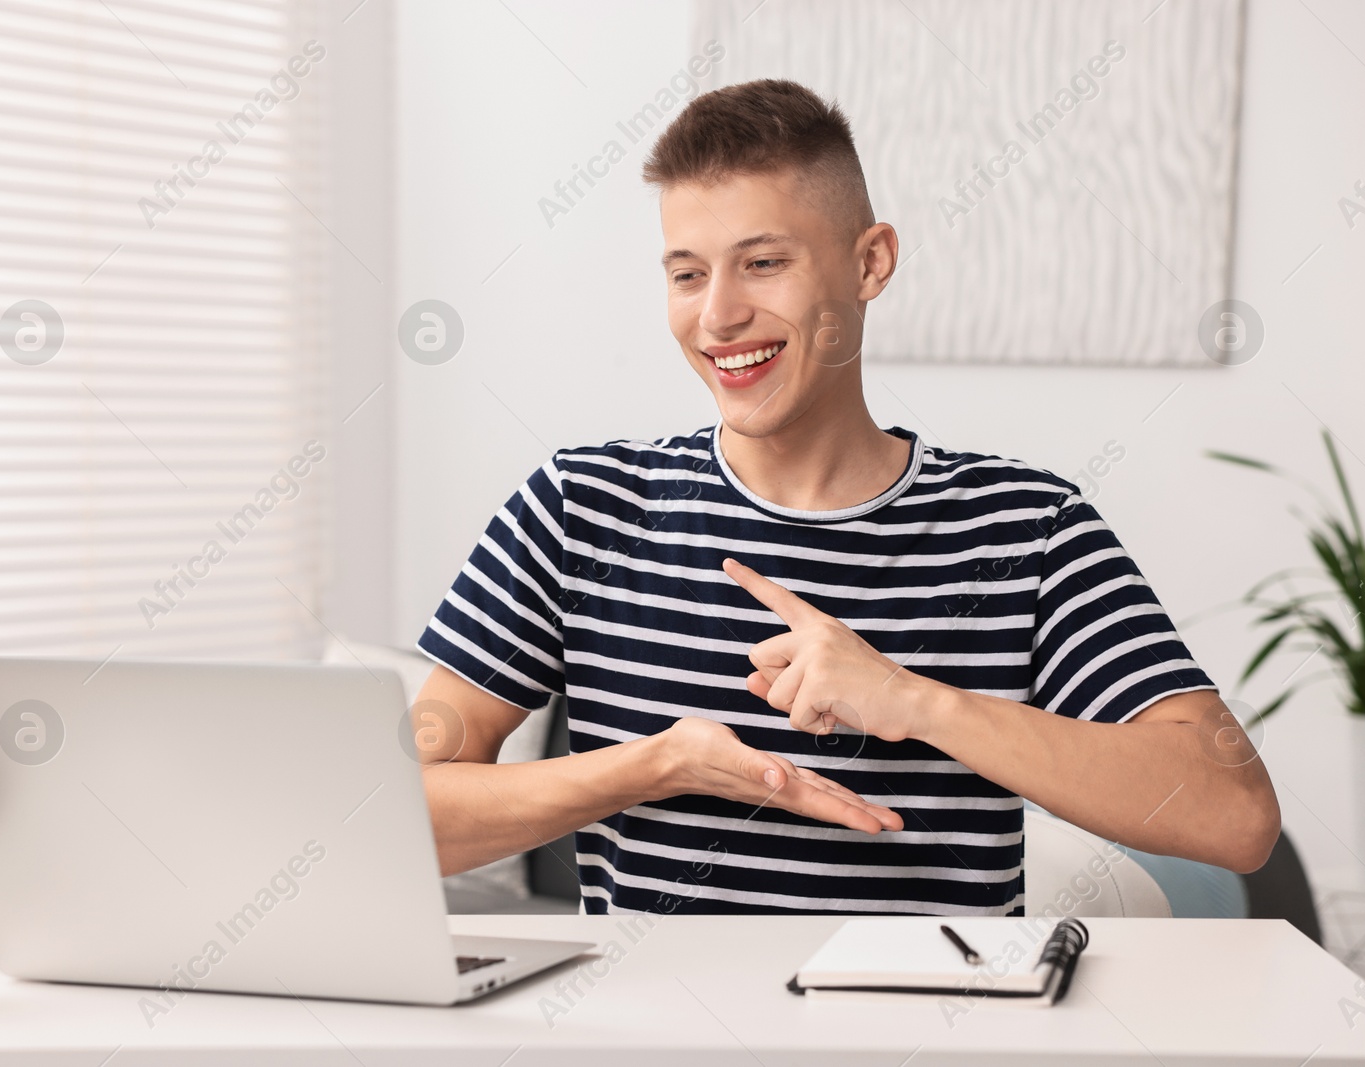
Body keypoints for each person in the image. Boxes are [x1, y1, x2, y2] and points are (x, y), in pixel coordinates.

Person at [412, 78, 1280, 915]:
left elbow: (1233, 815)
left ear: (871, 262)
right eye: (686, 274)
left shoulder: (1028, 527)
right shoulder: (579, 508)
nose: (717, 315)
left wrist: (915, 700)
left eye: (763, 263)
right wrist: (655, 767)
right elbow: (405, 819)